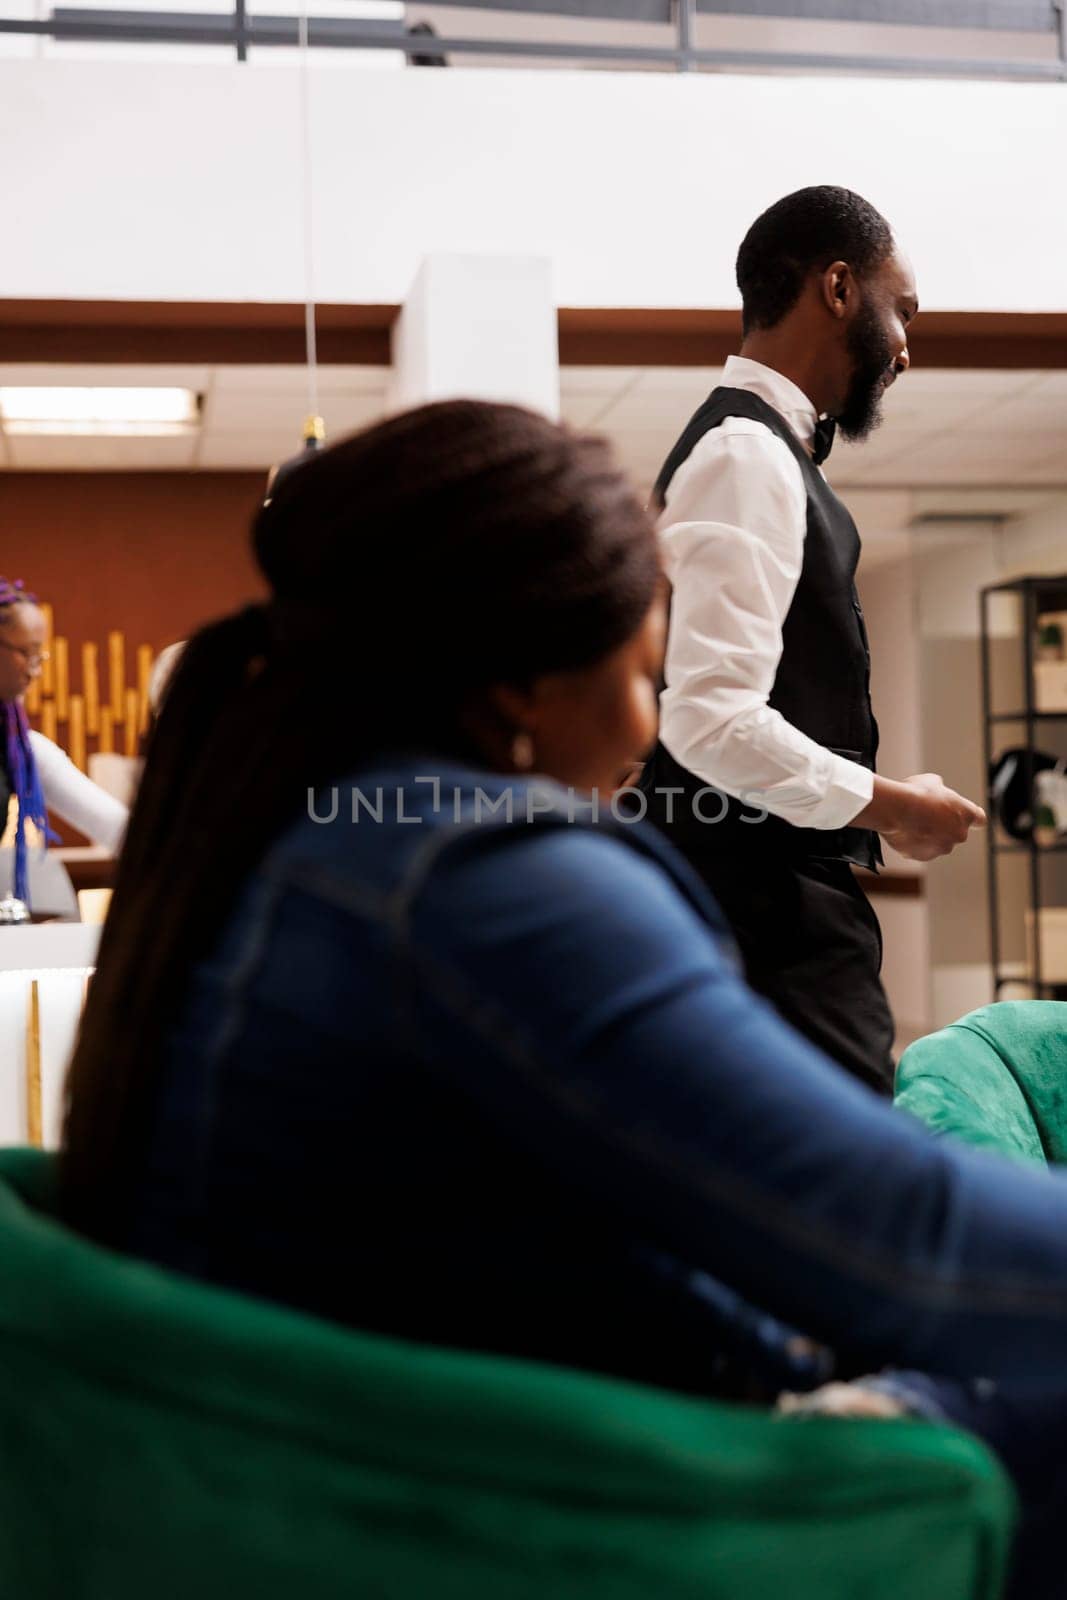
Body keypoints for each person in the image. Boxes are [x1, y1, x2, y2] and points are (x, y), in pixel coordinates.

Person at [60, 402, 1067, 1595]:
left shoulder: (297, 849)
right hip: (591, 1496)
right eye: (646, 675)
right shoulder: (485, 881)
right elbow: (900, 1242)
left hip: (417, 1464)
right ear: (525, 679)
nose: (650, 740)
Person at [635, 187, 984, 1091]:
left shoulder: (761, 452)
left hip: (765, 908)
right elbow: (707, 720)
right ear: (837, 288)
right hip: (762, 920)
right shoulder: (744, 455)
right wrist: (893, 805)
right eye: (899, 309)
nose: (906, 346)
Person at [0, 577, 128, 905]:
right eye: (26, 652)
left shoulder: (23, 750)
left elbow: (119, 829)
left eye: (39, 655)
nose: (36, 670)